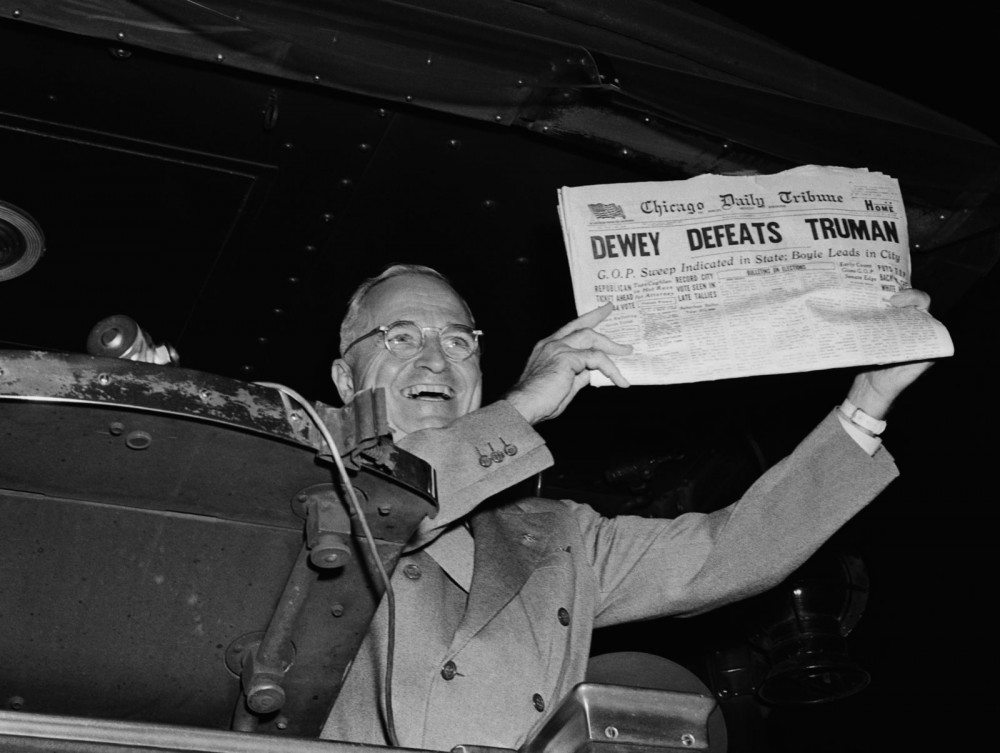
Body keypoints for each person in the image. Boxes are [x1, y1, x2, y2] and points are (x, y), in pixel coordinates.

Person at [321, 263, 933, 750]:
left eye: (458, 340)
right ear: (346, 381)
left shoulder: (555, 532)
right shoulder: (297, 474)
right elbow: (389, 508)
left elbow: (724, 553)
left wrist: (866, 402)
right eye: (400, 337)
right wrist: (523, 407)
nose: (435, 359)